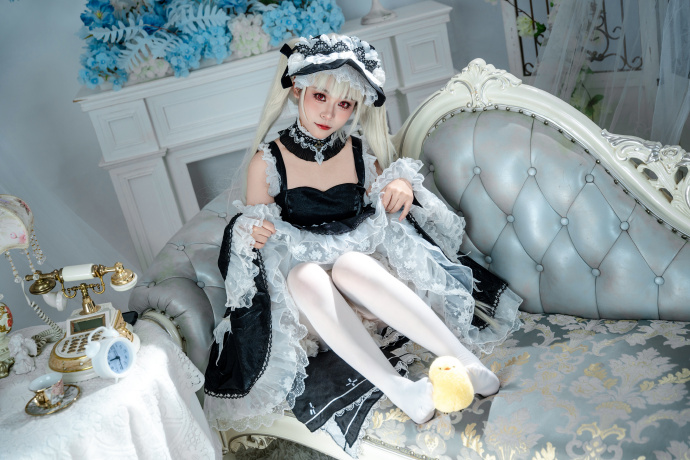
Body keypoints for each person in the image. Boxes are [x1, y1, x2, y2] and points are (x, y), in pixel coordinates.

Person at [203, 34, 522, 451]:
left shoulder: (358, 153)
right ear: (297, 89)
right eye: (320, 96)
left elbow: (387, 204)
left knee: (351, 264)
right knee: (304, 276)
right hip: (313, 309)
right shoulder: (268, 161)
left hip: (368, 289)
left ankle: (464, 359)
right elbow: (252, 244)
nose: (329, 113)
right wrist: (251, 231)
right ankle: (400, 389)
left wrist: (401, 185)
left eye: (345, 104)